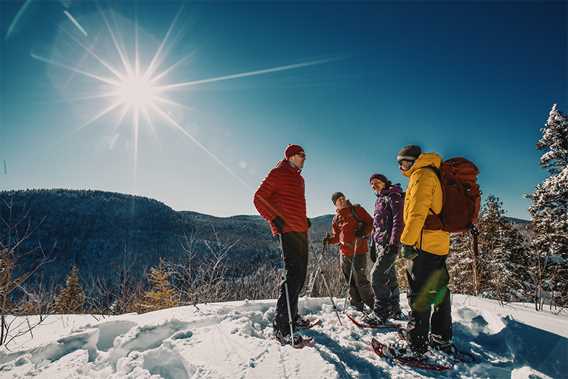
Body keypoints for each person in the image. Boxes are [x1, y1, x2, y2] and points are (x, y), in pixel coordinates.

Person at [396, 145, 452, 357]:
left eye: (403, 162)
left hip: (424, 244)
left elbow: (417, 213)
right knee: (439, 291)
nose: (401, 167)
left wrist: (407, 242)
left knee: (419, 293)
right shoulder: (431, 173)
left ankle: (416, 345)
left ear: (412, 161)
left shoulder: (422, 175)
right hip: (437, 243)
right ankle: (440, 336)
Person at [253, 144, 312, 345]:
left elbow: (293, 204)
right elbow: (258, 198)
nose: (304, 158)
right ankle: (281, 327)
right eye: (301, 155)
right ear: (290, 156)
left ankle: (293, 317)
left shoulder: (299, 178)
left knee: (300, 276)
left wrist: (305, 220)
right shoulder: (278, 173)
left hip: (300, 230)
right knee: (292, 277)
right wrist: (273, 218)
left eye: (305, 155)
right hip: (288, 231)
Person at [323, 192, 374, 313]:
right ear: (335, 204)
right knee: (349, 280)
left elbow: (370, 222)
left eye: (342, 198)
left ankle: (372, 305)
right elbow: (337, 236)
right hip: (344, 253)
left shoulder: (357, 210)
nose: (341, 200)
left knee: (360, 280)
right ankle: (357, 305)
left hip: (358, 250)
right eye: (338, 200)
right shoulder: (336, 219)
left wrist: (363, 231)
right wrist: (329, 240)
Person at [364, 173, 404, 325]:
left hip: (390, 244)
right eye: (372, 184)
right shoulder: (379, 199)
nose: (374, 185)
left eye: (376, 182)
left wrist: (394, 243)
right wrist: (373, 245)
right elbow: (376, 226)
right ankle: (395, 309)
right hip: (381, 244)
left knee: (377, 275)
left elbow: (398, 220)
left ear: (385, 182)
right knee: (390, 276)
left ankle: (380, 313)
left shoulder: (393, 196)